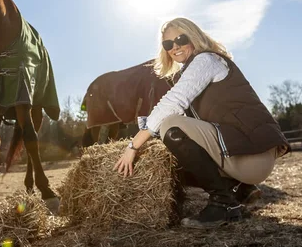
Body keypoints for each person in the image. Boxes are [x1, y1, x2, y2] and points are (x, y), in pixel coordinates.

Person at [114, 17, 290, 229]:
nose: (175, 47)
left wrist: (133, 145)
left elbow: (172, 103)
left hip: (252, 156)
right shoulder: (190, 71)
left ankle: (223, 204)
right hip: (239, 154)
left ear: (194, 36)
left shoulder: (206, 60)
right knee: (170, 159)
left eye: (180, 39)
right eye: (168, 44)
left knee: (171, 126)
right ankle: (238, 189)